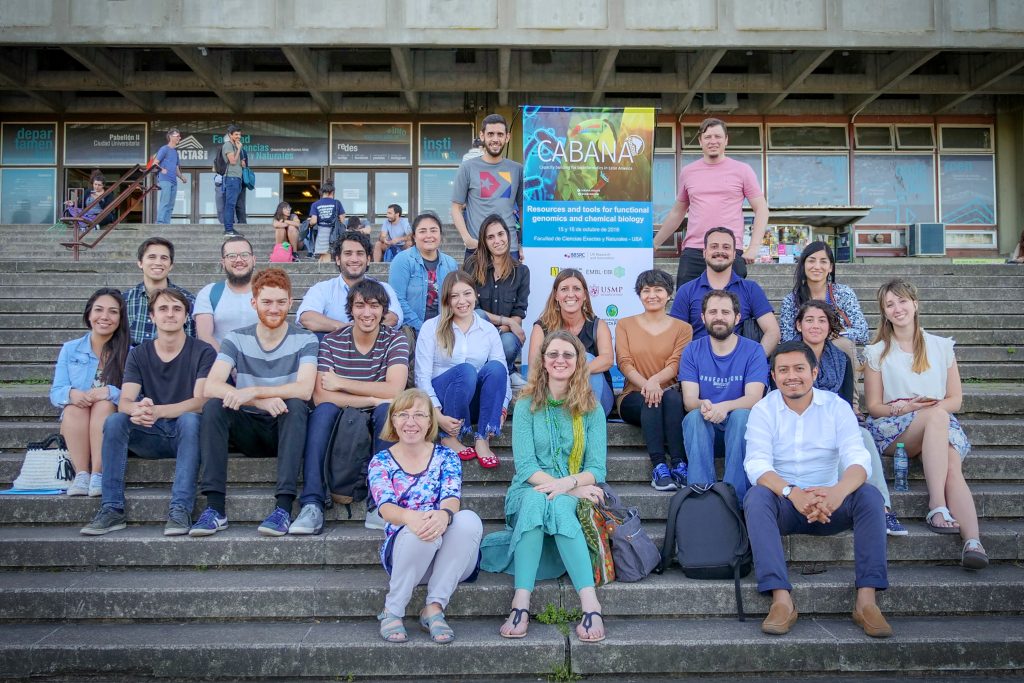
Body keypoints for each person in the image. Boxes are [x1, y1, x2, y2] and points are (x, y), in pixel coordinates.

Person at [744, 340, 892, 638]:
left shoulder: (836, 407)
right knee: (756, 497)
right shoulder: (763, 409)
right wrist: (793, 494)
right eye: (783, 370)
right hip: (785, 504)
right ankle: (781, 600)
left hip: (831, 503)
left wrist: (837, 493)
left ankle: (866, 601)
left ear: (814, 372)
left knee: (869, 496)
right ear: (773, 376)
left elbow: (858, 460)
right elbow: (757, 464)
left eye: (799, 368)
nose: (791, 376)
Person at [480, 331, 608, 643]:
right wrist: (569, 487)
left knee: (561, 506)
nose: (560, 360)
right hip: (528, 489)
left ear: (578, 362)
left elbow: (596, 468)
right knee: (538, 502)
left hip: (571, 490)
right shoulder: (526, 406)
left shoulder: (592, 409)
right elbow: (526, 468)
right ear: (544, 361)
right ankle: (520, 602)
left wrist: (570, 486)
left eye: (568, 355)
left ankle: (591, 605)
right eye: (553, 354)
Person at [863, 279, 986, 570]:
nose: (898, 308)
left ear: (915, 304)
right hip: (896, 428)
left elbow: (955, 399)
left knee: (952, 465)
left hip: (940, 420)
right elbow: (874, 407)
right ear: (884, 312)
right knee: (937, 417)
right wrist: (906, 408)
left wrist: (931, 410)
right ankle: (936, 505)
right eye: (890, 304)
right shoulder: (877, 352)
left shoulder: (941, 347)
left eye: (902, 301)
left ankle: (973, 542)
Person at [191, 268, 318, 537]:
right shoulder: (236, 338)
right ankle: (215, 508)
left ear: (290, 302)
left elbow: (306, 389)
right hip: (248, 427)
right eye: (267, 302)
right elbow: (212, 385)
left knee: (295, 405)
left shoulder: (305, 338)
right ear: (254, 303)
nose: (274, 309)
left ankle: (283, 508)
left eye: (281, 302)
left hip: (284, 426)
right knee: (214, 405)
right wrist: (260, 401)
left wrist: (253, 391)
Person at [80, 288, 215, 536]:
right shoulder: (139, 354)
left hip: (187, 435)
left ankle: (180, 509)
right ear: (152, 316)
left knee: (190, 420)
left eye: (177, 309)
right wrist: (138, 409)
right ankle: (112, 509)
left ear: (187, 316)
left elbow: (201, 401)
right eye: (163, 309)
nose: (170, 314)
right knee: (116, 421)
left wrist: (159, 411)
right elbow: (125, 401)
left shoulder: (204, 352)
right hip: (151, 433)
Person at [292, 279, 410, 535]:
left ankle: (380, 503)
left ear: (383, 310)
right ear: (350, 309)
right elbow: (321, 396)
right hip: (341, 412)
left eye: (374, 306)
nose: (367, 313)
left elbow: (394, 390)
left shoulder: (396, 340)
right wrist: (370, 398)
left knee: (386, 411)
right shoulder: (332, 341)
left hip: (376, 412)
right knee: (322, 413)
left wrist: (341, 383)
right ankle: (312, 503)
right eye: (360, 306)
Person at [368, 388, 483, 644]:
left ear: (430, 421)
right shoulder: (380, 461)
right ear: (393, 421)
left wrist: (444, 515)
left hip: (450, 562)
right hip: (407, 554)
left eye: (419, 415)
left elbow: (452, 498)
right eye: (403, 415)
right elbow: (386, 509)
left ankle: (433, 608)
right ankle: (392, 610)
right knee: (422, 529)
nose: (411, 422)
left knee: (468, 520)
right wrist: (412, 518)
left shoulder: (446, 456)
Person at [792, 300, 907, 536]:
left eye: (822, 320)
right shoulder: (786, 356)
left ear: (830, 327)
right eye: (809, 320)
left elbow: (844, 403)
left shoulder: (841, 359)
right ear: (798, 325)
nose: (816, 325)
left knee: (861, 435)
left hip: (832, 421)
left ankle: (882, 510)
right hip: (796, 421)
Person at [652, 117, 769, 288]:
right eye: (707, 137)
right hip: (694, 250)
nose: (713, 141)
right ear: (700, 141)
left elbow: (761, 209)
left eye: (717, 136)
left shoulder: (743, 170)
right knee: (687, 306)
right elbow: (677, 212)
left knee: (731, 306)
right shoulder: (688, 172)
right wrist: (655, 244)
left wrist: (754, 247)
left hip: (728, 250)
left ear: (726, 140)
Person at [679, 289, 768, 504]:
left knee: (742, 416)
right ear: (703, 317)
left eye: (725, 312)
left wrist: (725, 406)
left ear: (737, 318)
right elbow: (690, 400)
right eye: (713, 312)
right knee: (693, 417)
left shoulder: (753, 350)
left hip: (740, 433)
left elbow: (754, 397)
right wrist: (706, 405)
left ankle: (734, 497)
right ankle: (700, 495)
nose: (719, 317)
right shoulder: (692, 350)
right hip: (706, 431)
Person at [416, 271, 510, 469]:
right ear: (446, 300)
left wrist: (502, 408)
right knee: (466, 371)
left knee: (496, 368)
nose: (462, 301)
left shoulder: (488, 330)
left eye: (467, 293)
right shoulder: (431, 328)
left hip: (473, 403)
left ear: (475, 295)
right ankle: (449, 437)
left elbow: (503, 376)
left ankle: (482, 438)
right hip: (443, 402)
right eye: (454, 296)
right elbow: (422, 377)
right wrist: (437, 416)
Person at [615, 269, 692, 491]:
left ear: (668, 294)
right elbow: (624, 362)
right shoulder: (625, 324)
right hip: (632, 396)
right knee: (652, 399)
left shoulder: (683, 328)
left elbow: (676, 363)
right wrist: (647, 385)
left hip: (670, 398)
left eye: (658, 289)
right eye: (646, 290)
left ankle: (678, 464)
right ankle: (659, 466)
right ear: (639, 294)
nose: (652, 295)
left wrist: (655, 382)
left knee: (670, 399)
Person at [49, 288, 130, 497]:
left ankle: (98, 474)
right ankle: (82, 474)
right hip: (77, 419)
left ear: (120, 318)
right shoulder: (70, 349)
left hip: (110, 420)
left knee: (103, 405)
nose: (105, 317)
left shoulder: (130, 352)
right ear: (89, 314)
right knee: (74, 407)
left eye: (113, 312)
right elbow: (56, 391)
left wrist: (110, 392)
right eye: (99, 310)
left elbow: (137, 396)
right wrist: (71, 393)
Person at [669, 227, 780, 356]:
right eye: (714, 246)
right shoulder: (686, 291)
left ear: (734, 254)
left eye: (726, 247)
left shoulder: (750, 289)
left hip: (740, 367)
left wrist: (753, 363)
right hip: (699, 367)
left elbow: (772, 331)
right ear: (704, 253)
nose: (720, 251)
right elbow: (675, 336)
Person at [528, 269, 614, 416]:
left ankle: (589, 424)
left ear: (585, 295)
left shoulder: (598, 325)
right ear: (556, 295)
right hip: (556, 393)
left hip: (596, 397)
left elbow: (607, 359)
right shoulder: (541, 327)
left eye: (576, 289)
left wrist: (574, 369)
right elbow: (534, 367)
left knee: (586, 358)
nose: (570, 294)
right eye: (564, 289)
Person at [780, 240, 868, 378]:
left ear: (831, 267)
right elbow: (787, 339)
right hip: (805, 353)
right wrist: (815, 338)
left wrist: (832, 335)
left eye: (823, 261)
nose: (817, 266)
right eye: (811, 261)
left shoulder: (843, 294)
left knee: (844, 344)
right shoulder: (791, 300)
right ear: (803, 265)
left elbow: (862, 332)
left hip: (839, 352)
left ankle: (851, 399)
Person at [463, 214, 530, 385]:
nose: (497, 240)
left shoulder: (521, 272)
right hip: (475, 333)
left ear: (508, 235)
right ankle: (498, 371)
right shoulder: (472, 265)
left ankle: (504, 371)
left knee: (508, 342)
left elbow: (518, 312)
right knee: (479, 314)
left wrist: (507, 326)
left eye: (501, 234)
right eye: (490, 237)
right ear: (484, 242)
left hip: (504, 334)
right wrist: (507, 322)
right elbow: (472, 311)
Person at [297, 230, 402, 338]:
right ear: (338, 259)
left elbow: (393, 317)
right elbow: (306, 317)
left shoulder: (384, 288)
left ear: (368, 260)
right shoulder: (322, 289)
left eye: (360, 253)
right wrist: (346, 328)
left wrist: (359, 329)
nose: (354, 259)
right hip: (333, 350)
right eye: (348, 253)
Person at [451, 113, 524, 259]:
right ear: (482, 136)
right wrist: (467, 240)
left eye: (500, 134)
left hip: (509, 249)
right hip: (478, 248)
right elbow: (456, 207)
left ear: (507, 137)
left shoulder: (517, 169)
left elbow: (522, 209)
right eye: (490, 134)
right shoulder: (467, 168)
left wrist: (522, 243)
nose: (495, 139)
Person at [388, 212, 459, 335]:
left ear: (440, 234)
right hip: (411, 328)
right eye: (422, 231)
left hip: (444, 329)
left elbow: (455, 297)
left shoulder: (450, 263)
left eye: (433, 230)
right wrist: (422, 328)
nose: (429, 235)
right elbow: (397, 299)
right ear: (414, 236)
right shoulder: (402, 260)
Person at [123, 237, 195, 346]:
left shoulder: (188, 300)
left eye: (164, 258)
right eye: (152, 257)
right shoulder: (124, 300)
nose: (158, 262)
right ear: (140, 263)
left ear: (171, 265)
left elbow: (193, 343)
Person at [194, 236, 258, 353]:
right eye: (232, 256)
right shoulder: (209, 292)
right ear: (223, 262)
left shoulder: (267, 292)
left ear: (254, 259)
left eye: (244, 255)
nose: (239, 260)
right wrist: (227, 363)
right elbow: (205, 336)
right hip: (220, 365)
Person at [154, 128, 186, 224]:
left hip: (173, 181)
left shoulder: (175, 152)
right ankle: (160, 222)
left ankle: (166, 223)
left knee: (171, 204)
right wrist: (161, 169)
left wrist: (181, 177)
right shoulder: (164, 149)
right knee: (165, 202)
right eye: (177, 136)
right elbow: (155, 163)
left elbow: (176, 168)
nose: (179, 138)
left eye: (179, 136)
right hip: (165, 180)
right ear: (171, 137)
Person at [308, 181, 346, 262]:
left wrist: (309, 222)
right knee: (326, 254)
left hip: (321, 231)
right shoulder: (337, 203)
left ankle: (320, 272)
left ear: (322, 192)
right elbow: (342, 220)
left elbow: (313, 221)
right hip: (334, 231)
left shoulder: (315, 204)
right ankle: (322, 273)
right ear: (332, 192)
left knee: (324, 254)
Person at [221, 124, 246, 238]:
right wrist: (239, 148)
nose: (238, 136)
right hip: (231, 178)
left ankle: (230, 228)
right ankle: (228, 229)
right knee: (230, 204)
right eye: (236, 134)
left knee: (232, 204)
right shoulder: (228, 145)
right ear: (230, 135)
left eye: (239, 134)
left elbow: (238, 162)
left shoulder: (235, 146)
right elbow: (232, 161)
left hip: (236, 178)